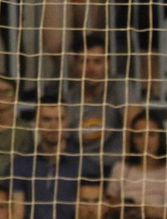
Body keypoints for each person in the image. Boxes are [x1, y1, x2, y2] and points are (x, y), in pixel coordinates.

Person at [62, 35, 144, 172]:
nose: (91, 68)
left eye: (98, 62)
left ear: (108, 63)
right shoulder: (69, 98)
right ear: (75, 65)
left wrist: (127, 166)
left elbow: (136, 125)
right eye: (84, 62)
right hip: (80, 168)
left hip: (118, 166)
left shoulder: (120, 87)